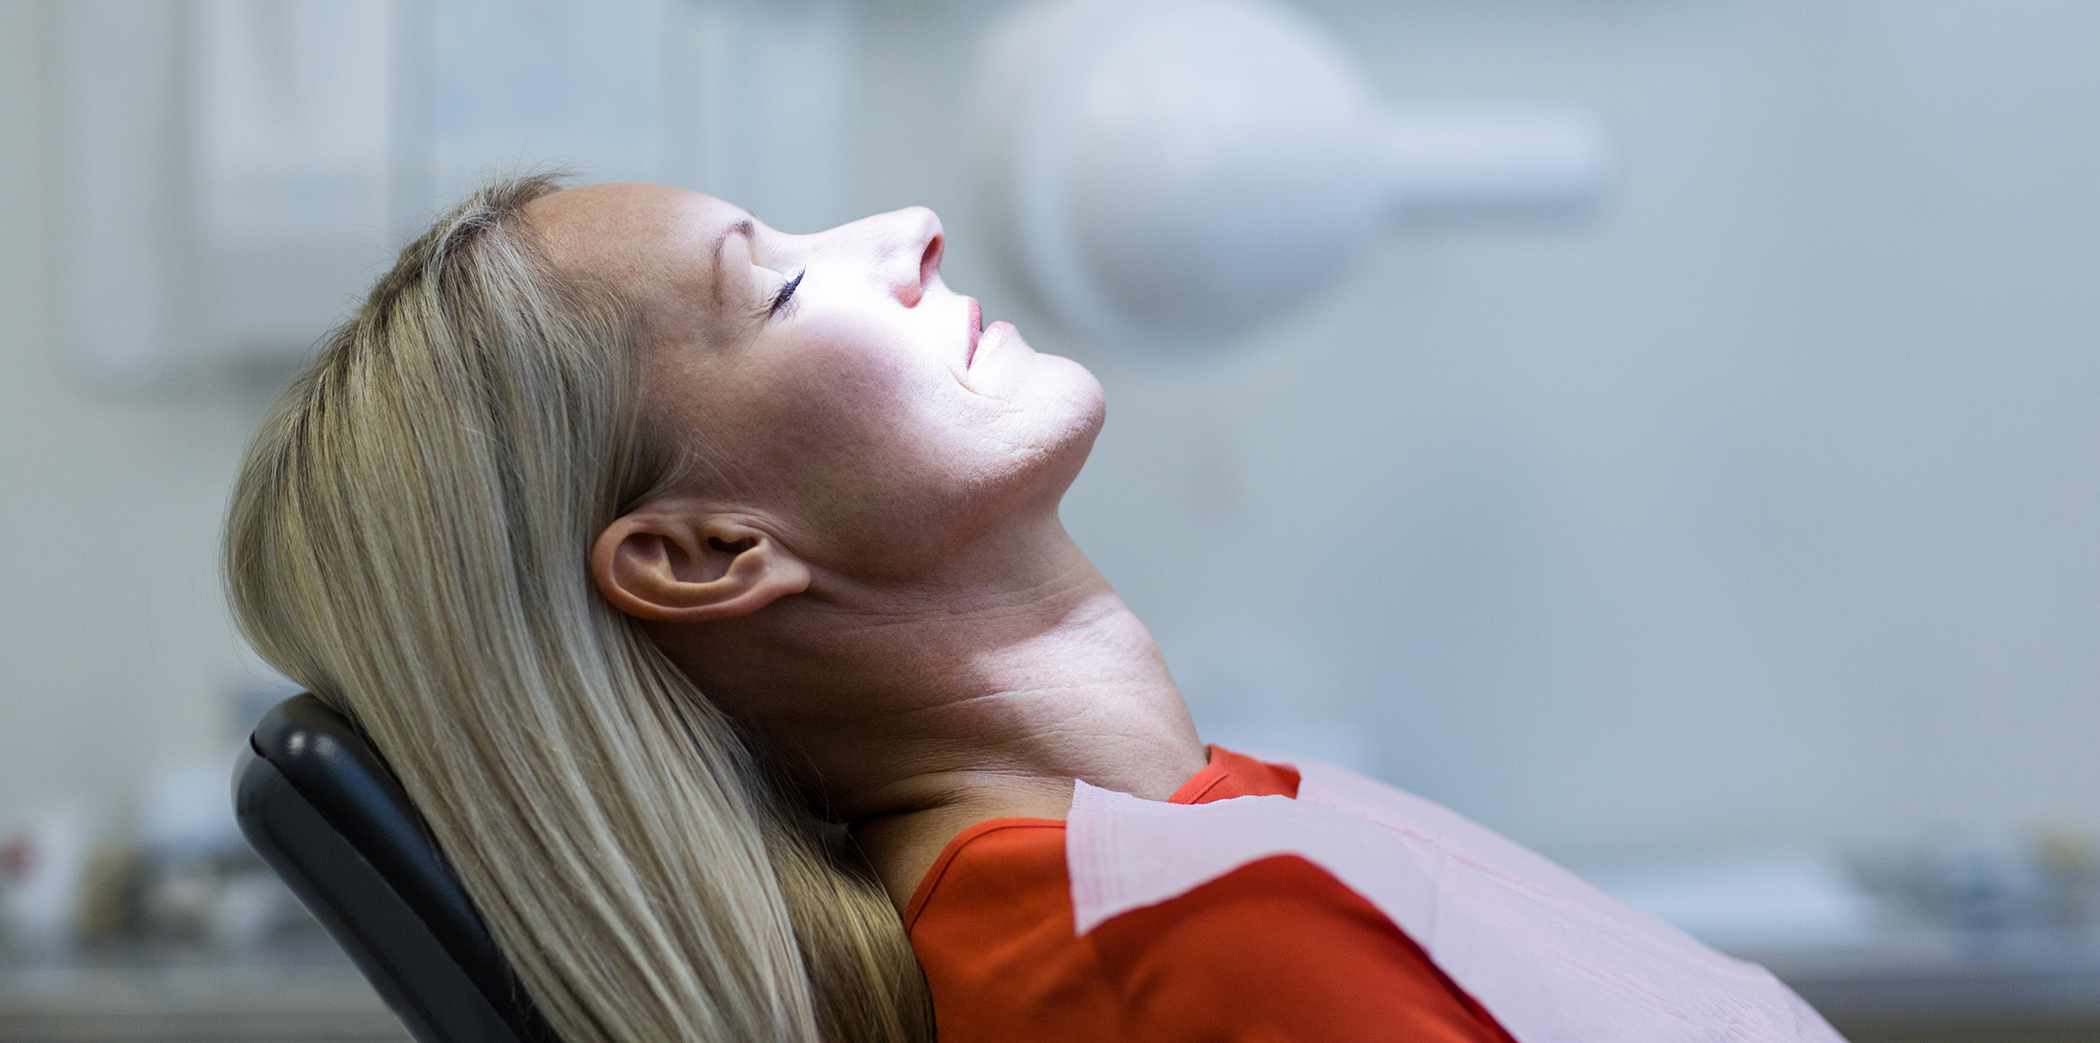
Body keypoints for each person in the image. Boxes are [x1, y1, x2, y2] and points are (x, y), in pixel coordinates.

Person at [225, 176, 1839, 1043]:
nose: (909, 228)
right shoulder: (1184, 958)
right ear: (708, 552)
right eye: (779, 283)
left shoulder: (1172, 868)